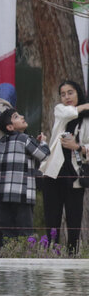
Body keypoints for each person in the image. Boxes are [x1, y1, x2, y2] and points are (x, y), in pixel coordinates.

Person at [39, 79, 89, 250]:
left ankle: (72, 256)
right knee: (52, 219)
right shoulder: (61, 111)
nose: (67, 97)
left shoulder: (87, 121)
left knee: (74, 219)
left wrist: (78, 147)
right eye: (63, 94)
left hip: (75, 175)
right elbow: (68, 113)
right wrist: (85, 106)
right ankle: (51, 253)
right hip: (53, 173)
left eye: (71, 93)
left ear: (78, 93)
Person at [0, 108, 50, 241]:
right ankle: (25, 258)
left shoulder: (0, 143)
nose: (22, 116)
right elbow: (44, 155)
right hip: (22, 195)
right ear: (10, 127)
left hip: (2, 196)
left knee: (7, 236)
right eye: (16, 117)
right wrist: (43, 143)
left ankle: (8, 257)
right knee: (25, 234)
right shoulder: (24, 139)